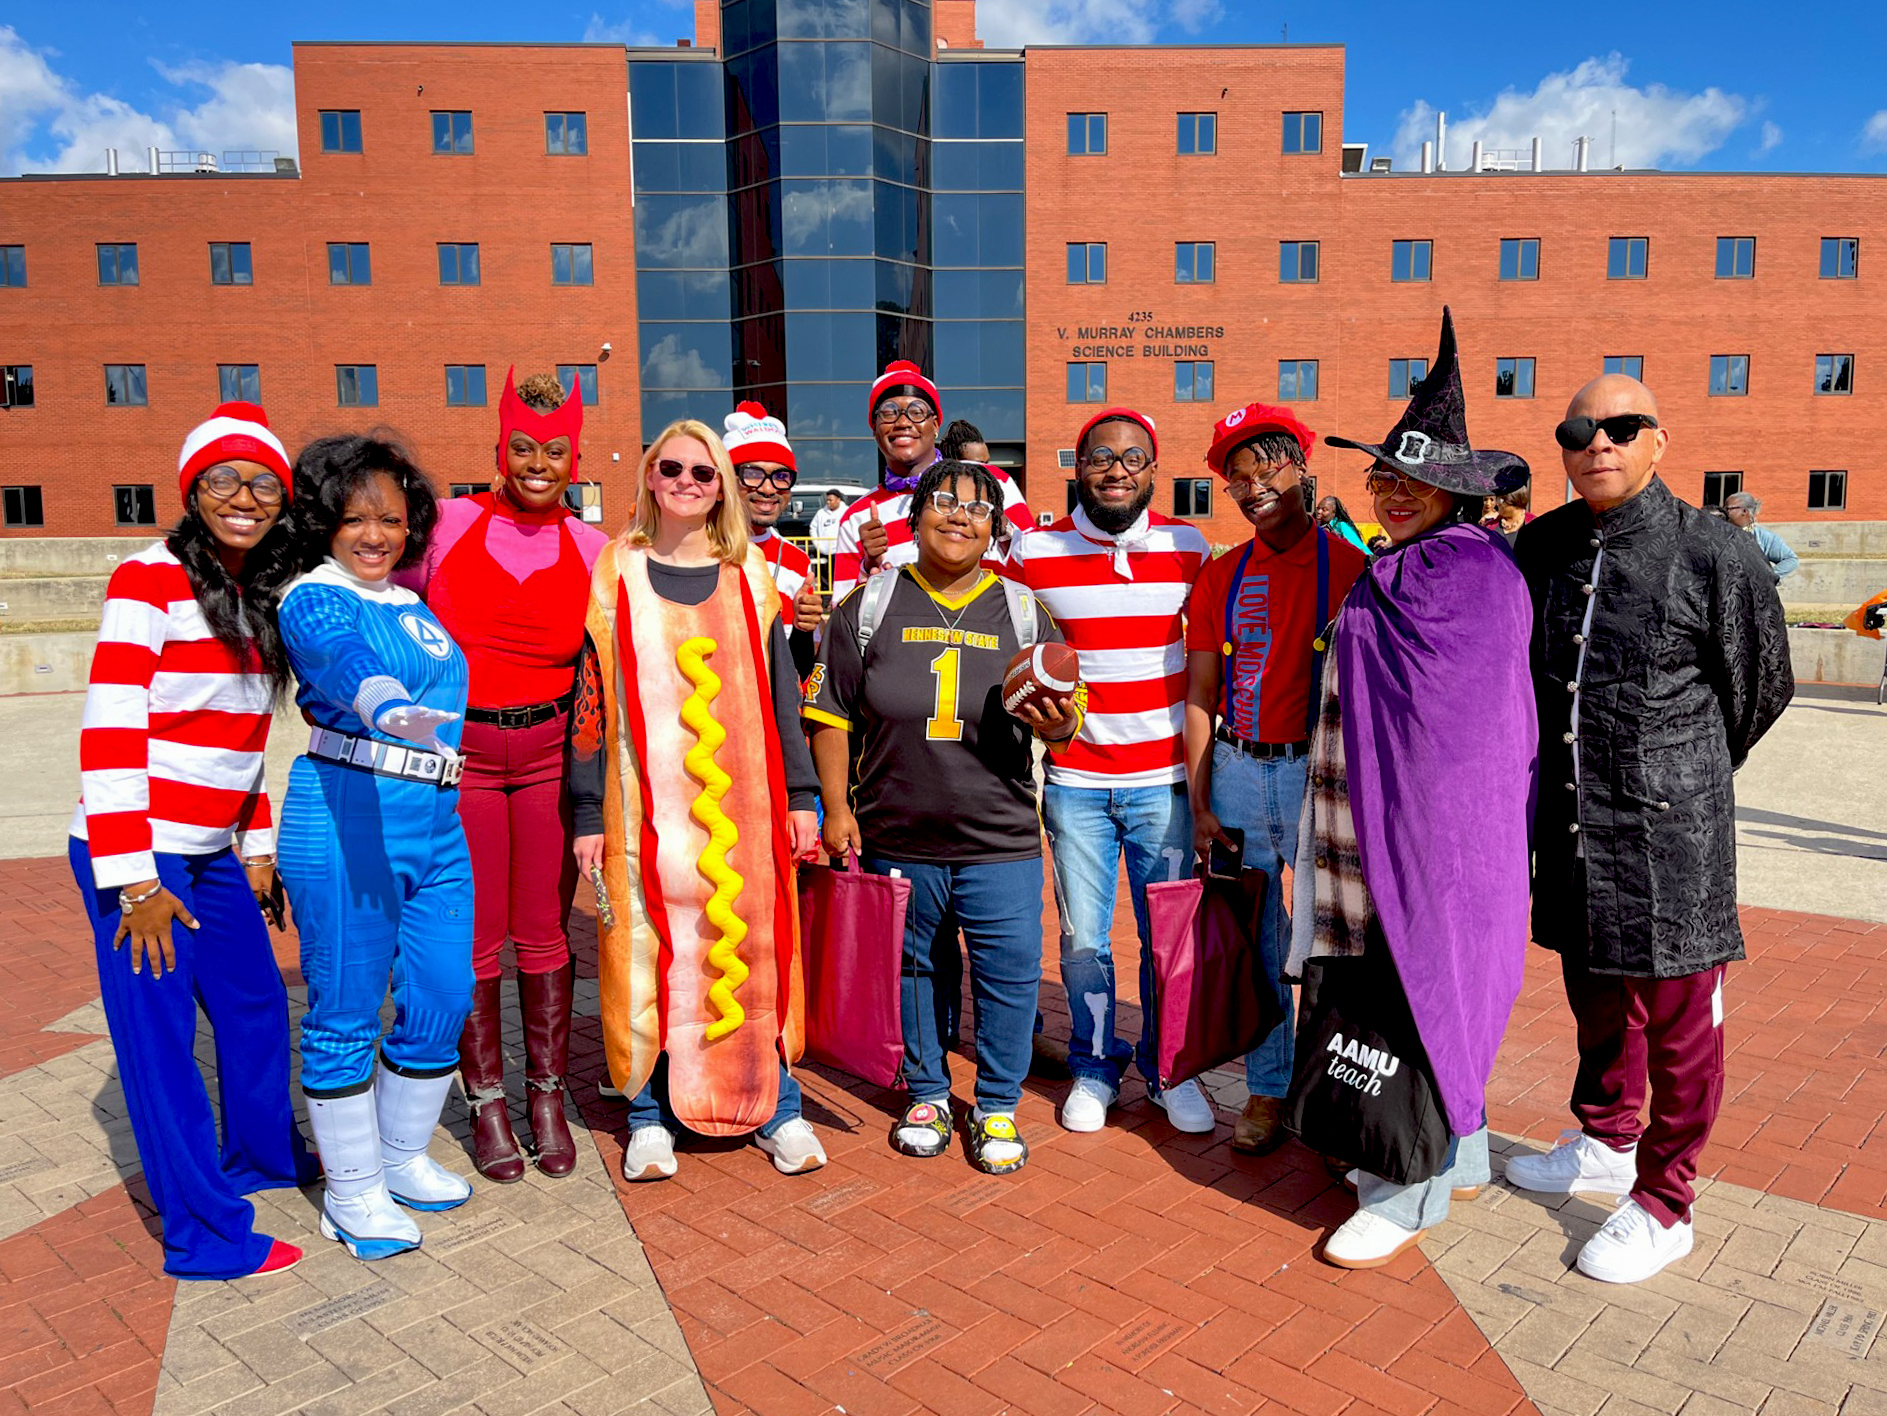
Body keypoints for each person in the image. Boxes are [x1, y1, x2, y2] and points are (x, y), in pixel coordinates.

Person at [1508, 373, 1793, 1283]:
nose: (1598, 443)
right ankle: (1603, 1139)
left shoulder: (1714, 551)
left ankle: (1666, 1200)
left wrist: (1683, 765)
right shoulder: (1540, 547)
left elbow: (1761, 687)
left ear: (1658, 441)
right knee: (1593, 993)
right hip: (1572, 823)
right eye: (1579, 428)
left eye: (1621, 427)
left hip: (1674, 835)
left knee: (1677, 1025)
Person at [1292, 308, 1536, 1267]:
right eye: (1384, 477)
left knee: (1428, 984)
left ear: (1453, 491)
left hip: (1438, 835)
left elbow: (1466, 733)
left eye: (1416, 480)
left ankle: (1411, 1191)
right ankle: (1457, 1147)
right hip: (1373, 815)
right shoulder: (1407, 565)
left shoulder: (1466, 573)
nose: (1394, 494)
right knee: (1395, 988)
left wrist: (1426, 836)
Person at [68, 402, 315, 1280]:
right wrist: (133, 880)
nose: (243, 497)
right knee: (162, 1044)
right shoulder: (147, 579)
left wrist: (254, 844)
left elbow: (243, 739)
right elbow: (110, 728)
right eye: (223, 479)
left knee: (252, 1006)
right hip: (141, 854)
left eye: (262, 483)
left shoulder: (258, 591)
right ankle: (203, 1233)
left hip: (212, 854)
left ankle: (258, 1158)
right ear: (190, 490)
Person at [569, 420, 824, 1183]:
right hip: (640, 811)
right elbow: (589, 699)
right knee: (646, 954)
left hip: (745, 814)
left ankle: (779, 1108)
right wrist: (585, 813)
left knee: (758, 955)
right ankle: (648, 1116)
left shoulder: (749, 576)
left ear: (722, 489)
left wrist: (803, 795)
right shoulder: (615, 570)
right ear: (649, 476)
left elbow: (782, 697)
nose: (686, 480)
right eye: (671, 467)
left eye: (704, 472)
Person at [806, 460, 1078, 1174]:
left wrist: (1057, 723)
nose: (960, 516)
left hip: (1000, 836)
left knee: (1010, 973)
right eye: (944, 502)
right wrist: (836, 808)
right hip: (898, 829)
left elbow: (1063, 726)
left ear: (994, 529)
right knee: (914, 968)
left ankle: (994, 1103)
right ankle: (926, 1089)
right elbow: (828, 714)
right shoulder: (867, 606)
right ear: (916, 514)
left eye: (978, 507)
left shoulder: (1022, 611)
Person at [398, 370, 608, 1185]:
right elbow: (374, 596)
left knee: (545, 932)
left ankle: (546, 1094)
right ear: (500, 449)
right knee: (478, 934)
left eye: (554, 451)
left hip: (553, 758)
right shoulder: (446, 526)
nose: (537, 463)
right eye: (523, 447)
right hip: (465, 761)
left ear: (573, 459)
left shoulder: (593, 549)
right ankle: (486, 1100)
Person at [278, 433, 476, 1261]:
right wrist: (387, 707)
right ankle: (352, 1190)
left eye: (391, 519)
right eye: (355, 518)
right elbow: (346, 662)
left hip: (435, 820)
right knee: (347, 1009)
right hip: (347, 810)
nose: (374, 534)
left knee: (442, 994)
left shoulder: (410, 601)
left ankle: (400, 1158)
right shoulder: (313, 598)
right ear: (324, 521)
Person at [1002, 407, 1215, 1134]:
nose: (1115, 471)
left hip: (1163, 783)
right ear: (1078, 469)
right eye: (1100, 458)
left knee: (1169, 938)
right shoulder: (1033, 553)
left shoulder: (1191, 548)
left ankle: (1168, 1069)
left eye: (1131, 459)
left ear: (1153, 470)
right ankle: (1095, 1066)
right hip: (1076, 784)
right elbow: (970, 600)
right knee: (1084, 940)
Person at [1184, 402, 1368, 1154]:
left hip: (1317, 776)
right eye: (1237, 479)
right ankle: (1264, 1088)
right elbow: (1199, 694)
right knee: (1259, 940)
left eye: (1268, 469)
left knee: (1333, 941)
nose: (1253, 487)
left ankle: (1330, 1089)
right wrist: (1199, 802)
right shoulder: (1222, 574)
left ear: (1301, 467)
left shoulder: (1353, 568)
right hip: (1235, 771)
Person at [829, 362, 1032, 602]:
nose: (903, 422)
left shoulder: (990, 483)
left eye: (916, 412)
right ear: (874, 428)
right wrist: (867, 568)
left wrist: (1000, 528)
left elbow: (1034, 568)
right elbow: (842, 611)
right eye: (888, 412)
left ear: (935, 425)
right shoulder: (857, 516)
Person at [723, 401, 825, 676]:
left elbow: (800, 669)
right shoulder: (700, 548)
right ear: (727, 479)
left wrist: (804, 629)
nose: (768, 489)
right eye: (753, 474)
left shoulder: (797, 562)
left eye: (781, 477)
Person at [1723, 492, 1799, 580]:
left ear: (1744, 511)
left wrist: (1767, 578)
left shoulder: (1764, 537)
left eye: (1728, 508)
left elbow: (1790, 559)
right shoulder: (1719, 534)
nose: (1725, 512)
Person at [808, 489, 847, 563]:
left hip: (840, 550)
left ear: (838, 500)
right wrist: (817, 544)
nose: (828, 502)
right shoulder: (821, 513)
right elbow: (813, 528)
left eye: (831, 500)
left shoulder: (846, 512)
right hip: (824, 550)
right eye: (827, 500)